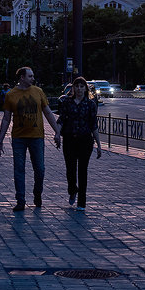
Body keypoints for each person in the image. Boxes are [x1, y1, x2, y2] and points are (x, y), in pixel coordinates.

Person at [0, 66, 61, 211]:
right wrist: (0, 139)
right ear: (22, 77)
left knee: (40, 169)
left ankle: (37, 194)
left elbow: (48, 113)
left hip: (37, 137)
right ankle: (20, 200)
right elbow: (6, 119)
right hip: (19, 138)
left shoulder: (38, 92)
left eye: (33, 76)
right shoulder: (11, 95)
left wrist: (57, 132)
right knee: (19, 169)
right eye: (30, 76)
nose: (33, 78)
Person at [57, 76, 102, 210]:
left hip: (85, 140)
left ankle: (82, 202)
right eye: (77, 86)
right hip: (69, 139)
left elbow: (94, 125)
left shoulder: (90, 105)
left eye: (82, 86)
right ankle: (72, 190)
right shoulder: (67, 102)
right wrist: (57, 133)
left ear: (85, 89)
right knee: (70, 169)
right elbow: (61, 120)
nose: (79, 89)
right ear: (73, 88)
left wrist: (99, 145)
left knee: (83, 171)